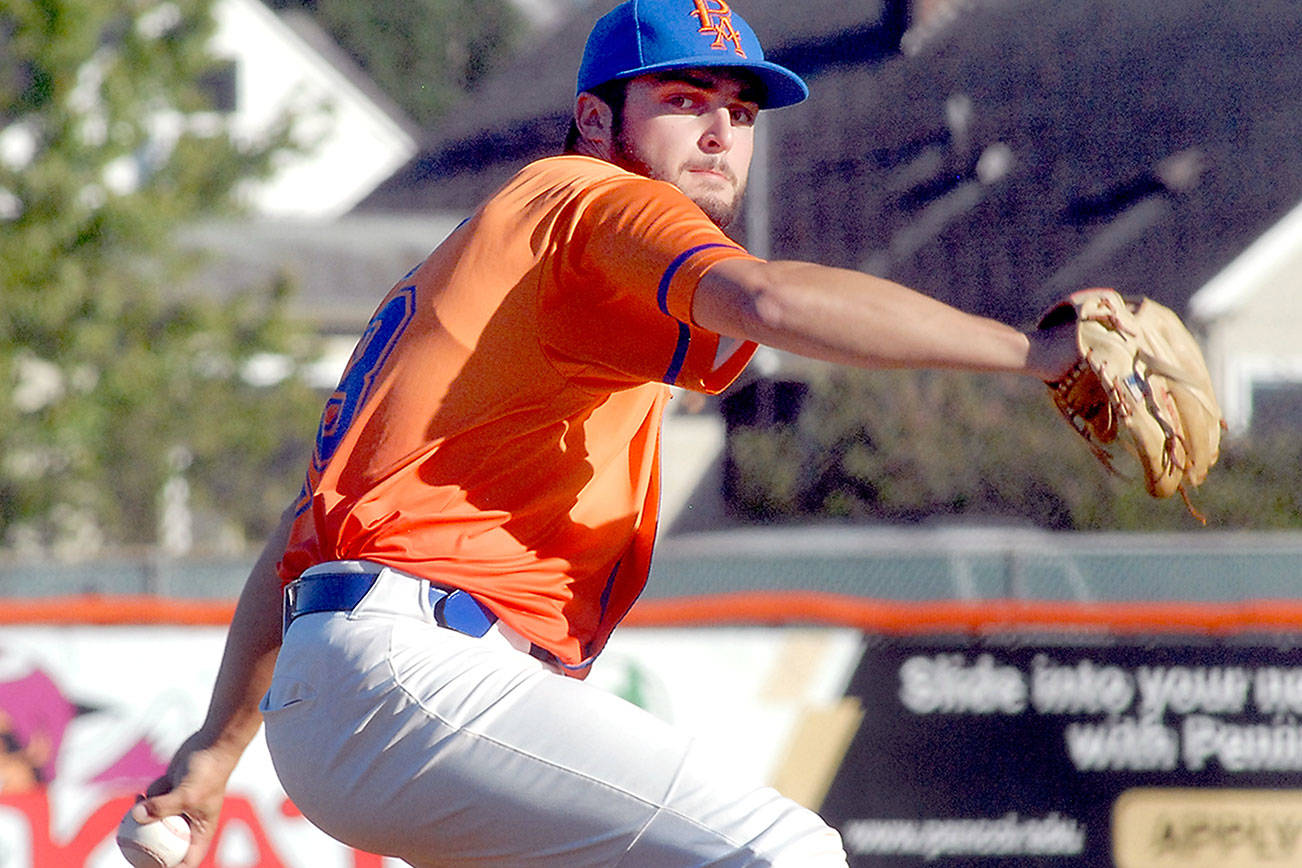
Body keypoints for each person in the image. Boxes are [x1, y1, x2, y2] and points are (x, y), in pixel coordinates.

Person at [137, 1, 1079, 865]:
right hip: (417, 671)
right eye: (683, 99)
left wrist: (220, 748)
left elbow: (305, 529)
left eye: (742, 113)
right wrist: (1038, 354)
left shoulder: (505, 273)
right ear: (597, 121)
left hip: (356, 689)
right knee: (785, 853)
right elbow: (773, 299)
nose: (719, 134)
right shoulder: (590, 198)